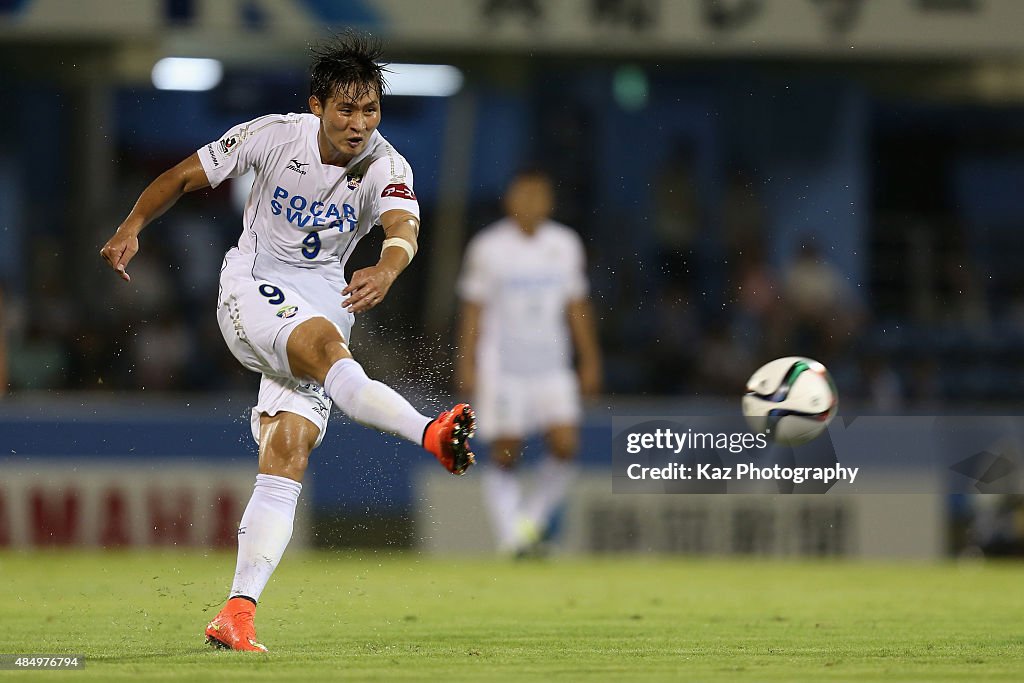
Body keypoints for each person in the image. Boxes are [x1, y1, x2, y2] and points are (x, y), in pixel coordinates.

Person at [100, 32, 476, 652]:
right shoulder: (273, 135)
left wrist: (387, 267)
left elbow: (402, 225)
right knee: (331, 353)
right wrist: (133, 225)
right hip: (252, 289)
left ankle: (238, 611)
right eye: (346, 109)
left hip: (325, 297)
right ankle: (430, 434)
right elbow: (184, 176)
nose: (359, 124)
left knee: (288, 453)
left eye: (371, 109)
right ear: (317, 106)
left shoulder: (388, 164)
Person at [455, 169, 601, 556]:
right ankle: (512, 537)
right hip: (503, 366)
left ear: (549, 202)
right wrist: (466, 361)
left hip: (552, 364)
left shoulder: (565, 244)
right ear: (509, 201)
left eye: (539, 196)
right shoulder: (488, 247)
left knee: (566, 445)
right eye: (524, 195)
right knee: (506, 449)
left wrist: (589, 359)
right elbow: (473, 309)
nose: (531, 203)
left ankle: (529, 522)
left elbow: (577, 305)